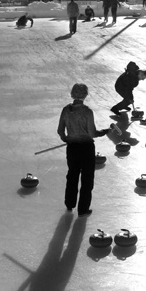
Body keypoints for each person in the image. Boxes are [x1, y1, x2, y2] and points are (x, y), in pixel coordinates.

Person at [57, 83, 108, 217]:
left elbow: (60, 130)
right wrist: (104, 132)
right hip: (86, 148)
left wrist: (66, 139)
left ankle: (69, 204)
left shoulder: (66, 110)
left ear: (72, 94)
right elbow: (92, 133)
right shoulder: (87, 111)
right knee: (87, 179)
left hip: (72, 148)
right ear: (85, 95)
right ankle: (83, 209)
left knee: (72, 175)